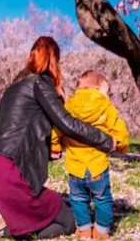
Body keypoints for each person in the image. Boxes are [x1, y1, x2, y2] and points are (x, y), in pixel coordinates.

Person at [0, 37, 117, 239]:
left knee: (42, 209)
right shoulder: (39, 83)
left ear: (29, 56)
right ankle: (6, 231)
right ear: (54, 62)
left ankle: (8, 220)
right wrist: (105, 140)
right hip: (11, 180)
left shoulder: (11, 90)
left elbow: (22, 132)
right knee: (68, 221)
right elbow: (67, 124)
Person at [50, 70, 130, 239]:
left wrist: (55, 147)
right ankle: (101, 231)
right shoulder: (106, 107)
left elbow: (57, 128)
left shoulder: (68, 106)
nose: (107, 96)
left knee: (78, 199)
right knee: (102, 199)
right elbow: (119, 130)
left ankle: (84, 229)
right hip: (97, 166)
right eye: (106, 92)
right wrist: (121, 147)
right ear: (99, 89)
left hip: (75, 166)